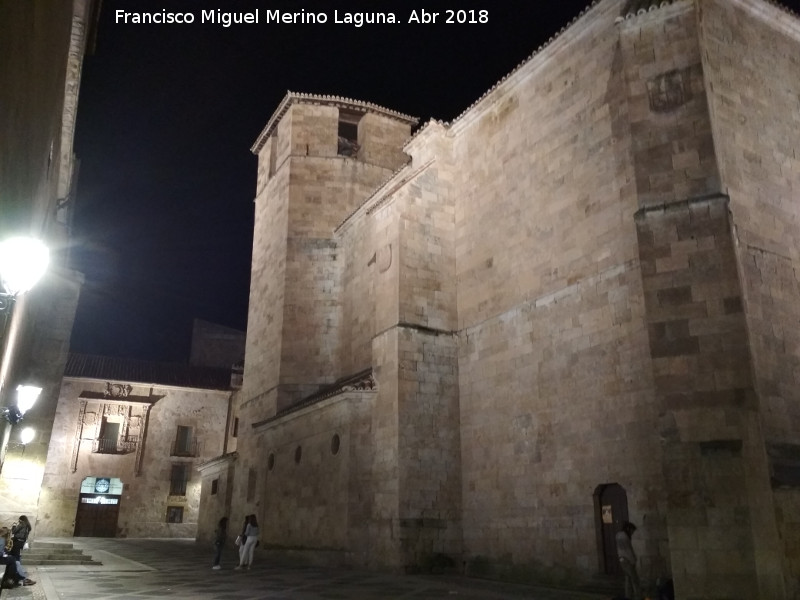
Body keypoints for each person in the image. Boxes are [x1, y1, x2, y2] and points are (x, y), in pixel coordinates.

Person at [615, 521, 642, 600]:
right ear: (628, 528)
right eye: (632, 531)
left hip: (622, 559)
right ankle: (638, 596)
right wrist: (633, 560)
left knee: (628, 578)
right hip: (627, 560)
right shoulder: (625, 537)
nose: (632, 533)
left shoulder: (618, 536)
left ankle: (628, 596)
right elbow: (628, 550)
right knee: (635, 579)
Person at [10, 516, 35, 586]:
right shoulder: (28, 526)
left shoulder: (21, 524)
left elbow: (14, 531)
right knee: (18, 557)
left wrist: (14, 526)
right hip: (21, 543)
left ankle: (20, 574)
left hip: (17, 542)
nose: (18, 521)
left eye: (19, 520)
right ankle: (20, 572)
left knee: (16, 558)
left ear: (21, 519)